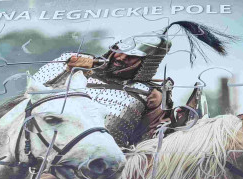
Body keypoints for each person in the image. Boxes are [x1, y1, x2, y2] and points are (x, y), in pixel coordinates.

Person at [31, 21, 232, 147]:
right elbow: (32, 93)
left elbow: (149, 141)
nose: (120, 57)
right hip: (44, 149)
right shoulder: (78, 65)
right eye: (118, 50)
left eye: (131, 57)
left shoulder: (150, 94)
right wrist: (67, 67)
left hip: (104, 163)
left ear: (146, 64)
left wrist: (168, 113)